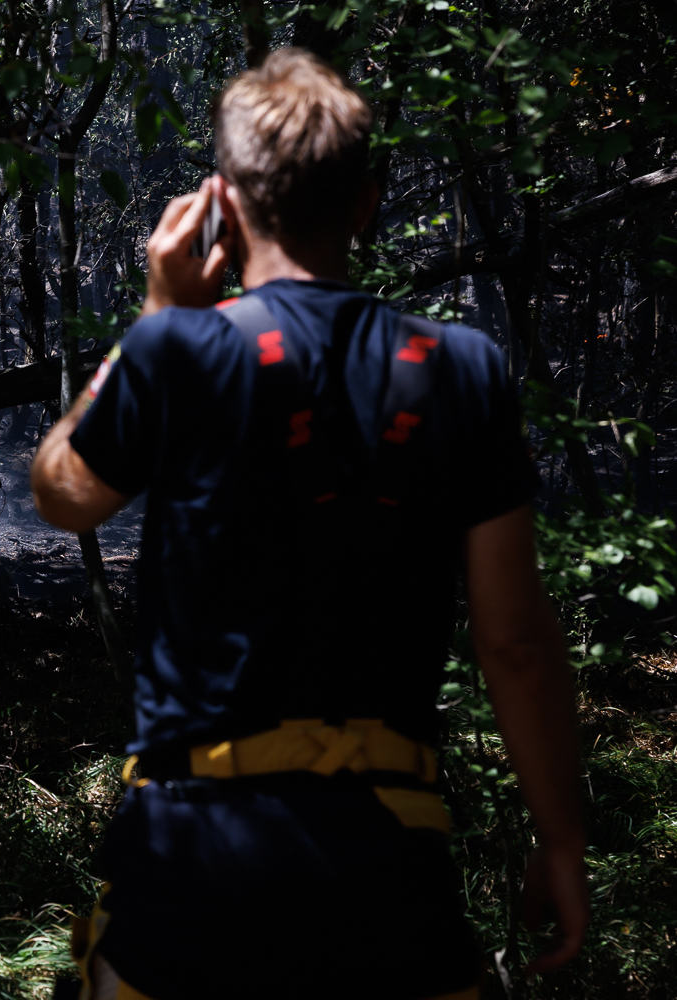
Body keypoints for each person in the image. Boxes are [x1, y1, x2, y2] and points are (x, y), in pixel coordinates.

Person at [30, 47, 587, 1000]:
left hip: (192, 864)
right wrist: (563, 841)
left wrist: (160, 311)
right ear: (366, 201)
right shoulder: (464, 369)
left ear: (225, 204)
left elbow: (61, 492)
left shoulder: (178, 348)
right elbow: (517, 643)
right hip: (388, 868)